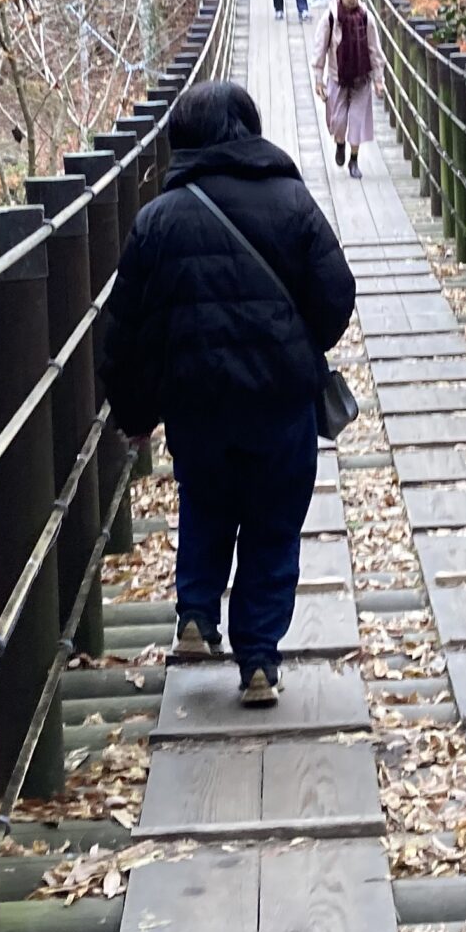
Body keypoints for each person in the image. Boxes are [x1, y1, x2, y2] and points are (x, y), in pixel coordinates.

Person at [99, 81, 356, 705]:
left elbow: (125, 329)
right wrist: (297, 342)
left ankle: (194, 615)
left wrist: (136, 412)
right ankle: (260, 659)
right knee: (273, 522)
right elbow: (336, 295)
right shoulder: (291, 200)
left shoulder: (157, 218)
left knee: (206, 501)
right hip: (279, 397)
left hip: (195, 400)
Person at [314, 0, 379, 177]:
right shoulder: (331, 18)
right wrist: (318, 78)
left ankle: (354, 160)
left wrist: (379, 79)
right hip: (337, 76)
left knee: (357, 120)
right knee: (339, 120)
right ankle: (340, 144)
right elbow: (320, 48)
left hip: (362, 77)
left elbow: (374, 49)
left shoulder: (366, 17)